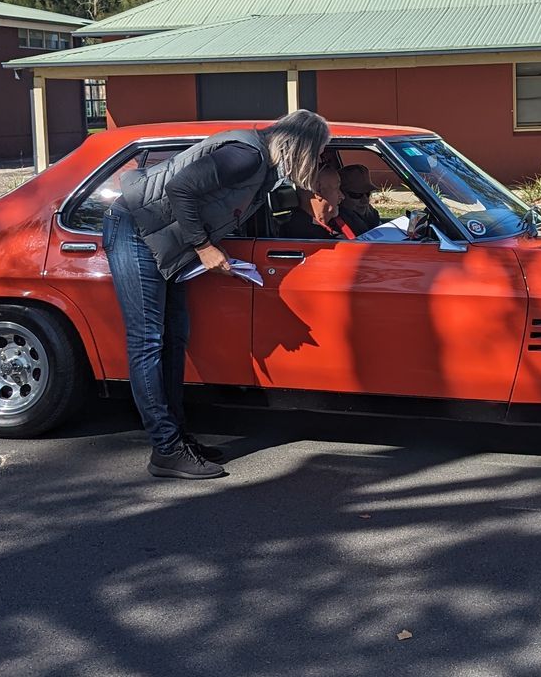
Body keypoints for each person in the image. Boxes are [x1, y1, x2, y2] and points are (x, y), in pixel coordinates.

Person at [106, 109, 332, 480]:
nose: (318, 160)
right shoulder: (248, 155)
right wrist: (204, 247)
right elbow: (180, 188)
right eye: (318, 151)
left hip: (163, 238)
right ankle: (166, 449)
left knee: (174, 338)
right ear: (301, 146)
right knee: (149, 341)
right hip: (134, 228)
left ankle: (178, 438)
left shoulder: (263, 167)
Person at [277, 167, 356, 240]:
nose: (342, 196)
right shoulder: (304, 236)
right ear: (318, 191)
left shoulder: (341, 219)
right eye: (337, 188)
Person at [336, 164, 384, 235]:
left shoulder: (371, 212)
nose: (365, 201)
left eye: (368, 193)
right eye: (356, 195)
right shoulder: (336, 223)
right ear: (340, 195)